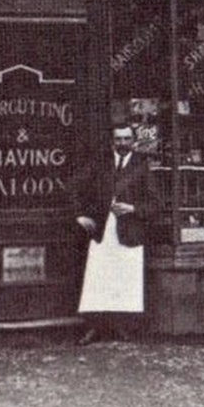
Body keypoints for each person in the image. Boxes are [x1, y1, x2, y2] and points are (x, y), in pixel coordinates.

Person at [74, 119, 166, 344]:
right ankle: (94, 327)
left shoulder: (142, 165)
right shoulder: (100, 163)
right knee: (98, 279)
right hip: (102, 230)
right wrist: (80, 215)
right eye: (118, 139)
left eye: (127, 139)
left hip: (129, 231)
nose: (123, 143)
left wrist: (133, 208)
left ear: (133, 141)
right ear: (111, 141)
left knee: (125, 280)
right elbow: (76, 187)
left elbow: (156, 203)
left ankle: (121, 327)